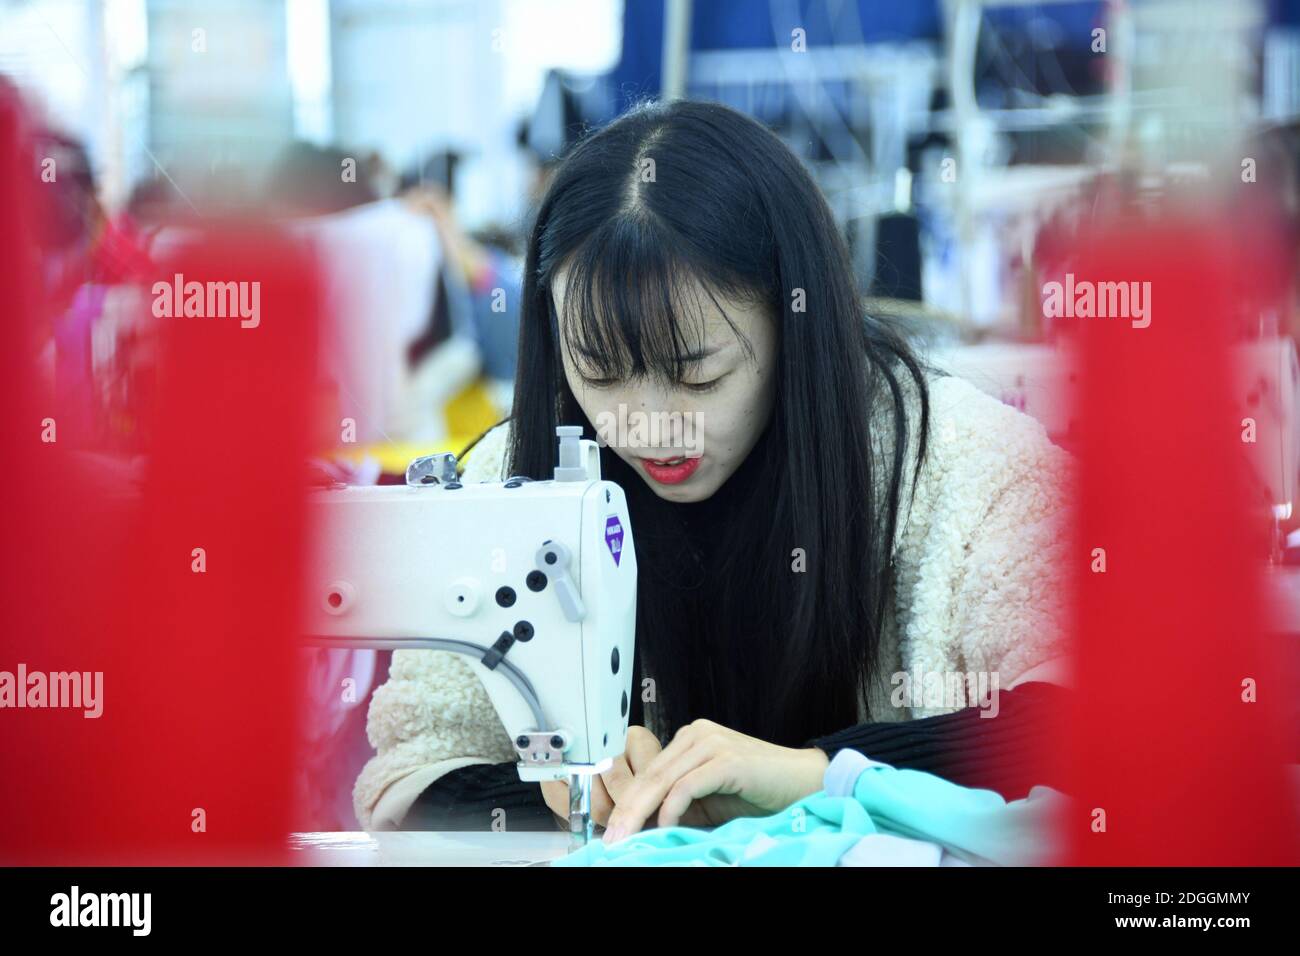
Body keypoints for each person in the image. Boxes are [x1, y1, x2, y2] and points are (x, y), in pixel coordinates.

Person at [353, 100, 1075, 836]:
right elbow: (409, 779)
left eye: (696, 375)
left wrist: (817, 776)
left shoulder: (963, 468)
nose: (645, 425)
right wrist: (552, 794)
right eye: (598, 370)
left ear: (795, 324)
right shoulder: (500, 488)